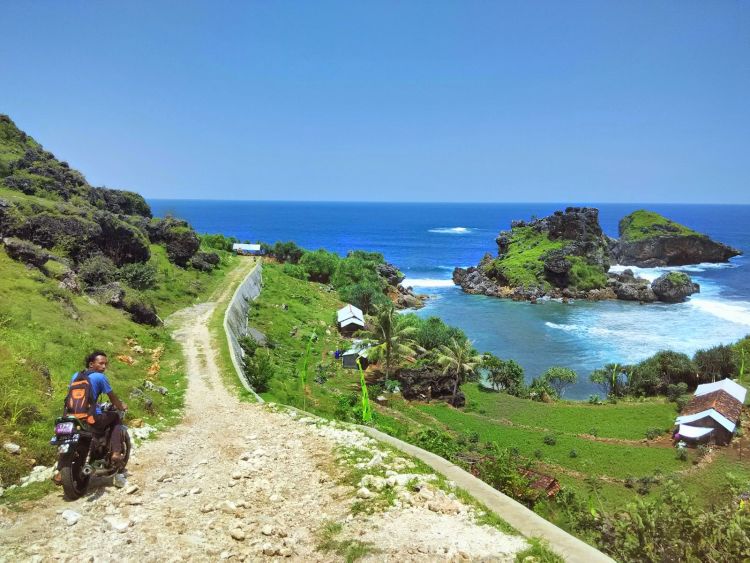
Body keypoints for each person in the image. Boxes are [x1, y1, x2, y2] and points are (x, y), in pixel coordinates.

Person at [68, 351, 128, 464]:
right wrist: (121, 406)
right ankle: (116, 453)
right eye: (101, 363)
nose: (104, 366)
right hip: (90, 416)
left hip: (72, 416)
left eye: (105, 364)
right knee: (115, 417)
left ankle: (60, 472)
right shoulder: (100, 377)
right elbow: (112, 397)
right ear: (91, 364)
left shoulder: (75, 376)